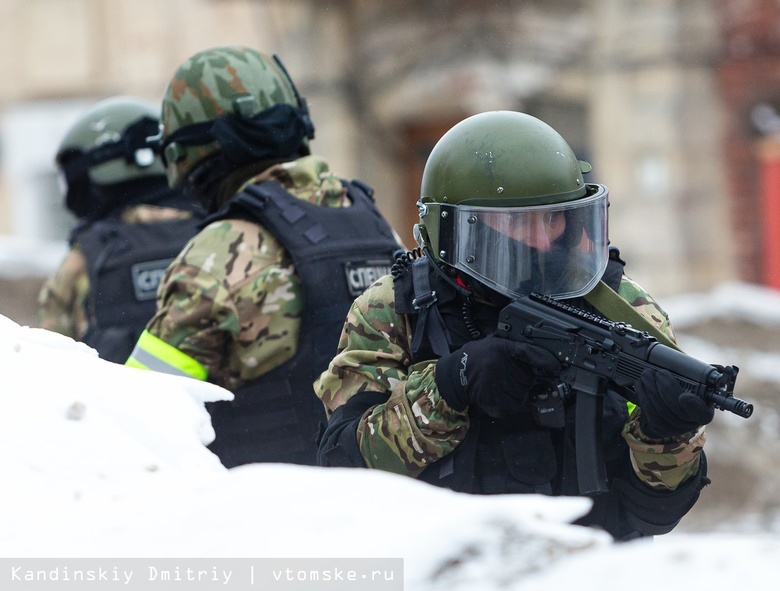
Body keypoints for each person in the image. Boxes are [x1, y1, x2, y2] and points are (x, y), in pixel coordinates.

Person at [314, 110, 714, 541]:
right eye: (518, 221)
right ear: (454, 228)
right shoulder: (396, 308)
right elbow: (343, 470)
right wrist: (450, 384)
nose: (544, 241)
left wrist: (666, 437)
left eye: (554, 218)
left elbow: (656, 512)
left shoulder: (620, 307)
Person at [125, 45, 402, 469]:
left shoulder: (219, 251)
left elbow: (140, 413)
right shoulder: (376, 224)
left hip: (267, 514)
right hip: (392, 505)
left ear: (190, 152)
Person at [38, 96, 204, 364]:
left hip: (118, 406)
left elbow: (51, 366)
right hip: (217, 404)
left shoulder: (82, 259)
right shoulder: (219, 232)